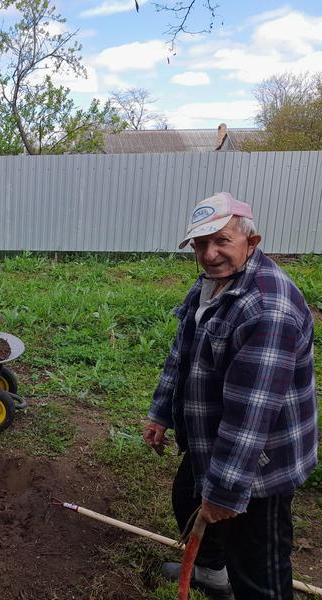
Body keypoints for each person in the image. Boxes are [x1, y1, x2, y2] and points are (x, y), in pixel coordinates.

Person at [143, 192, 318, 599]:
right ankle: (210, 572)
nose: (209, 254)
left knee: (257, 564)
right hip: (214, 438)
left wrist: (223, 492)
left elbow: (251, 414)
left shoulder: (267, 307)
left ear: (251, 242)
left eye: (222, 241)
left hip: (260, 461)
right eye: (201, 244)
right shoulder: (214, 284)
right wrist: (161, 412)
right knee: (188, 498)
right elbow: (181, 354)